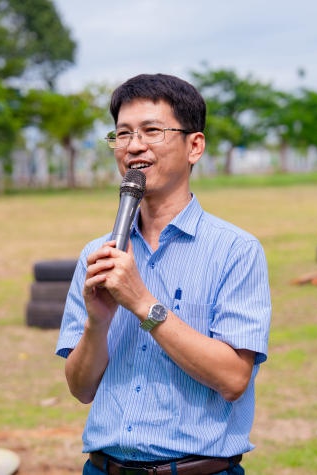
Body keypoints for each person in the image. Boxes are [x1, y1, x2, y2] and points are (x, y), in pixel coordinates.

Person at [56, 73, 272, 475]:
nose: (134, 146)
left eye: (151, 131)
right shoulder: (97, 254)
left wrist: (142, 303)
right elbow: (80, 389)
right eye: (122, 134)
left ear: (195, 146)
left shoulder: (236, 250)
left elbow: (233, 378)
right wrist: (97, 324)